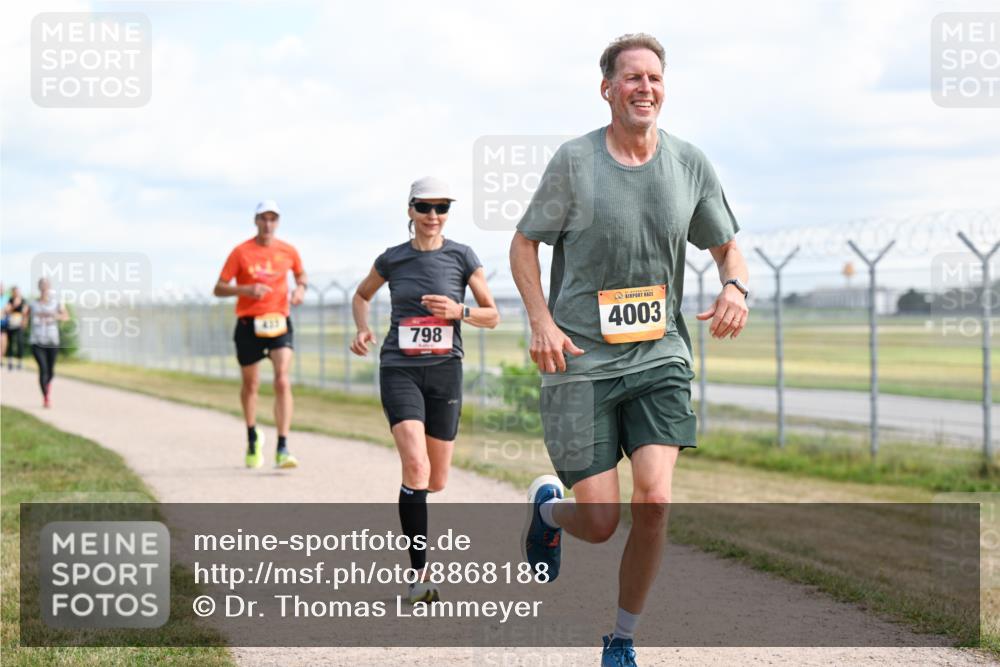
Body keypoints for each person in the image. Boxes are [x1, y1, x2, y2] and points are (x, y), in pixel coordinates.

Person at [509, 34, 750, 666]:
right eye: (632, 77)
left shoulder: (689, 163)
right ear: (608, 89)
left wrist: (735, 286)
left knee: (655, 500)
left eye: (654, 77)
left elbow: (727, 246)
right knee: (599, 523)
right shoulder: (574, 162)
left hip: (658, 357)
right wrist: (540, 321)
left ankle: (621, 639)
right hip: (580, 362)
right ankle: (548, 514)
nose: (645, 87)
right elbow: (524, 243)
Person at [351, 177, 499, 604]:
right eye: (425, 207)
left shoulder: (462, 256)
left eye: (442, 207)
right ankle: (419, 576)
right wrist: (362, 329)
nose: (433, 215)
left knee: (435, 479)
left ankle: (412, 502)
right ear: (410, 210)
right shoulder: (392, 258)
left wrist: (459, 310)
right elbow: (361, 296)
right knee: (415, 466)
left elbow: (492, 315)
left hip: (445, 372)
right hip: (400, 369)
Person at [214, 200, 308, 469]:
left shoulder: (288, 250)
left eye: (272, 219)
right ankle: (252, 437)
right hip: (248, 325)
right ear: (256, 221)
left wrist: (300, 289)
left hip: (278, 322)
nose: (268, 224)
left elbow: (301, 276)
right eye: (263, 218)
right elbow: (218, 288)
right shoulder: (240, 252)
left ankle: (282, 446)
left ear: (277, 222)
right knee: (251, 385)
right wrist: (246, 290)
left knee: (282, 380)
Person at [29, 278, 69, 407]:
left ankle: (47, 391)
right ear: (39, 287)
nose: (44, 288)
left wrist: (56, 316)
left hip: (52, 341)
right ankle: (46, 397)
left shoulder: (56, 303)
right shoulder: (33, 304)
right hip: (37, 341)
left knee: (51, 372)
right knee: (43, 368)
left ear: (49, 287)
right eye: (42, 285)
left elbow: (66, 317)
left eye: (46, 285)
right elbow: (24, 316)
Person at [6, 285, 29, 370]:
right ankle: (10, 361)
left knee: (20, 342)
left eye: (18, 291)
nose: (17, 293)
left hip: (19, 324)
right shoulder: (10, 300)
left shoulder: (23, 300)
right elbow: (7, 311)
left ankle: (20, 361)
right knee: (11, 342)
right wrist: (14, 305)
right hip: (11, 323)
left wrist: (25, 322)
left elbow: (25, 313)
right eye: (15, 291)